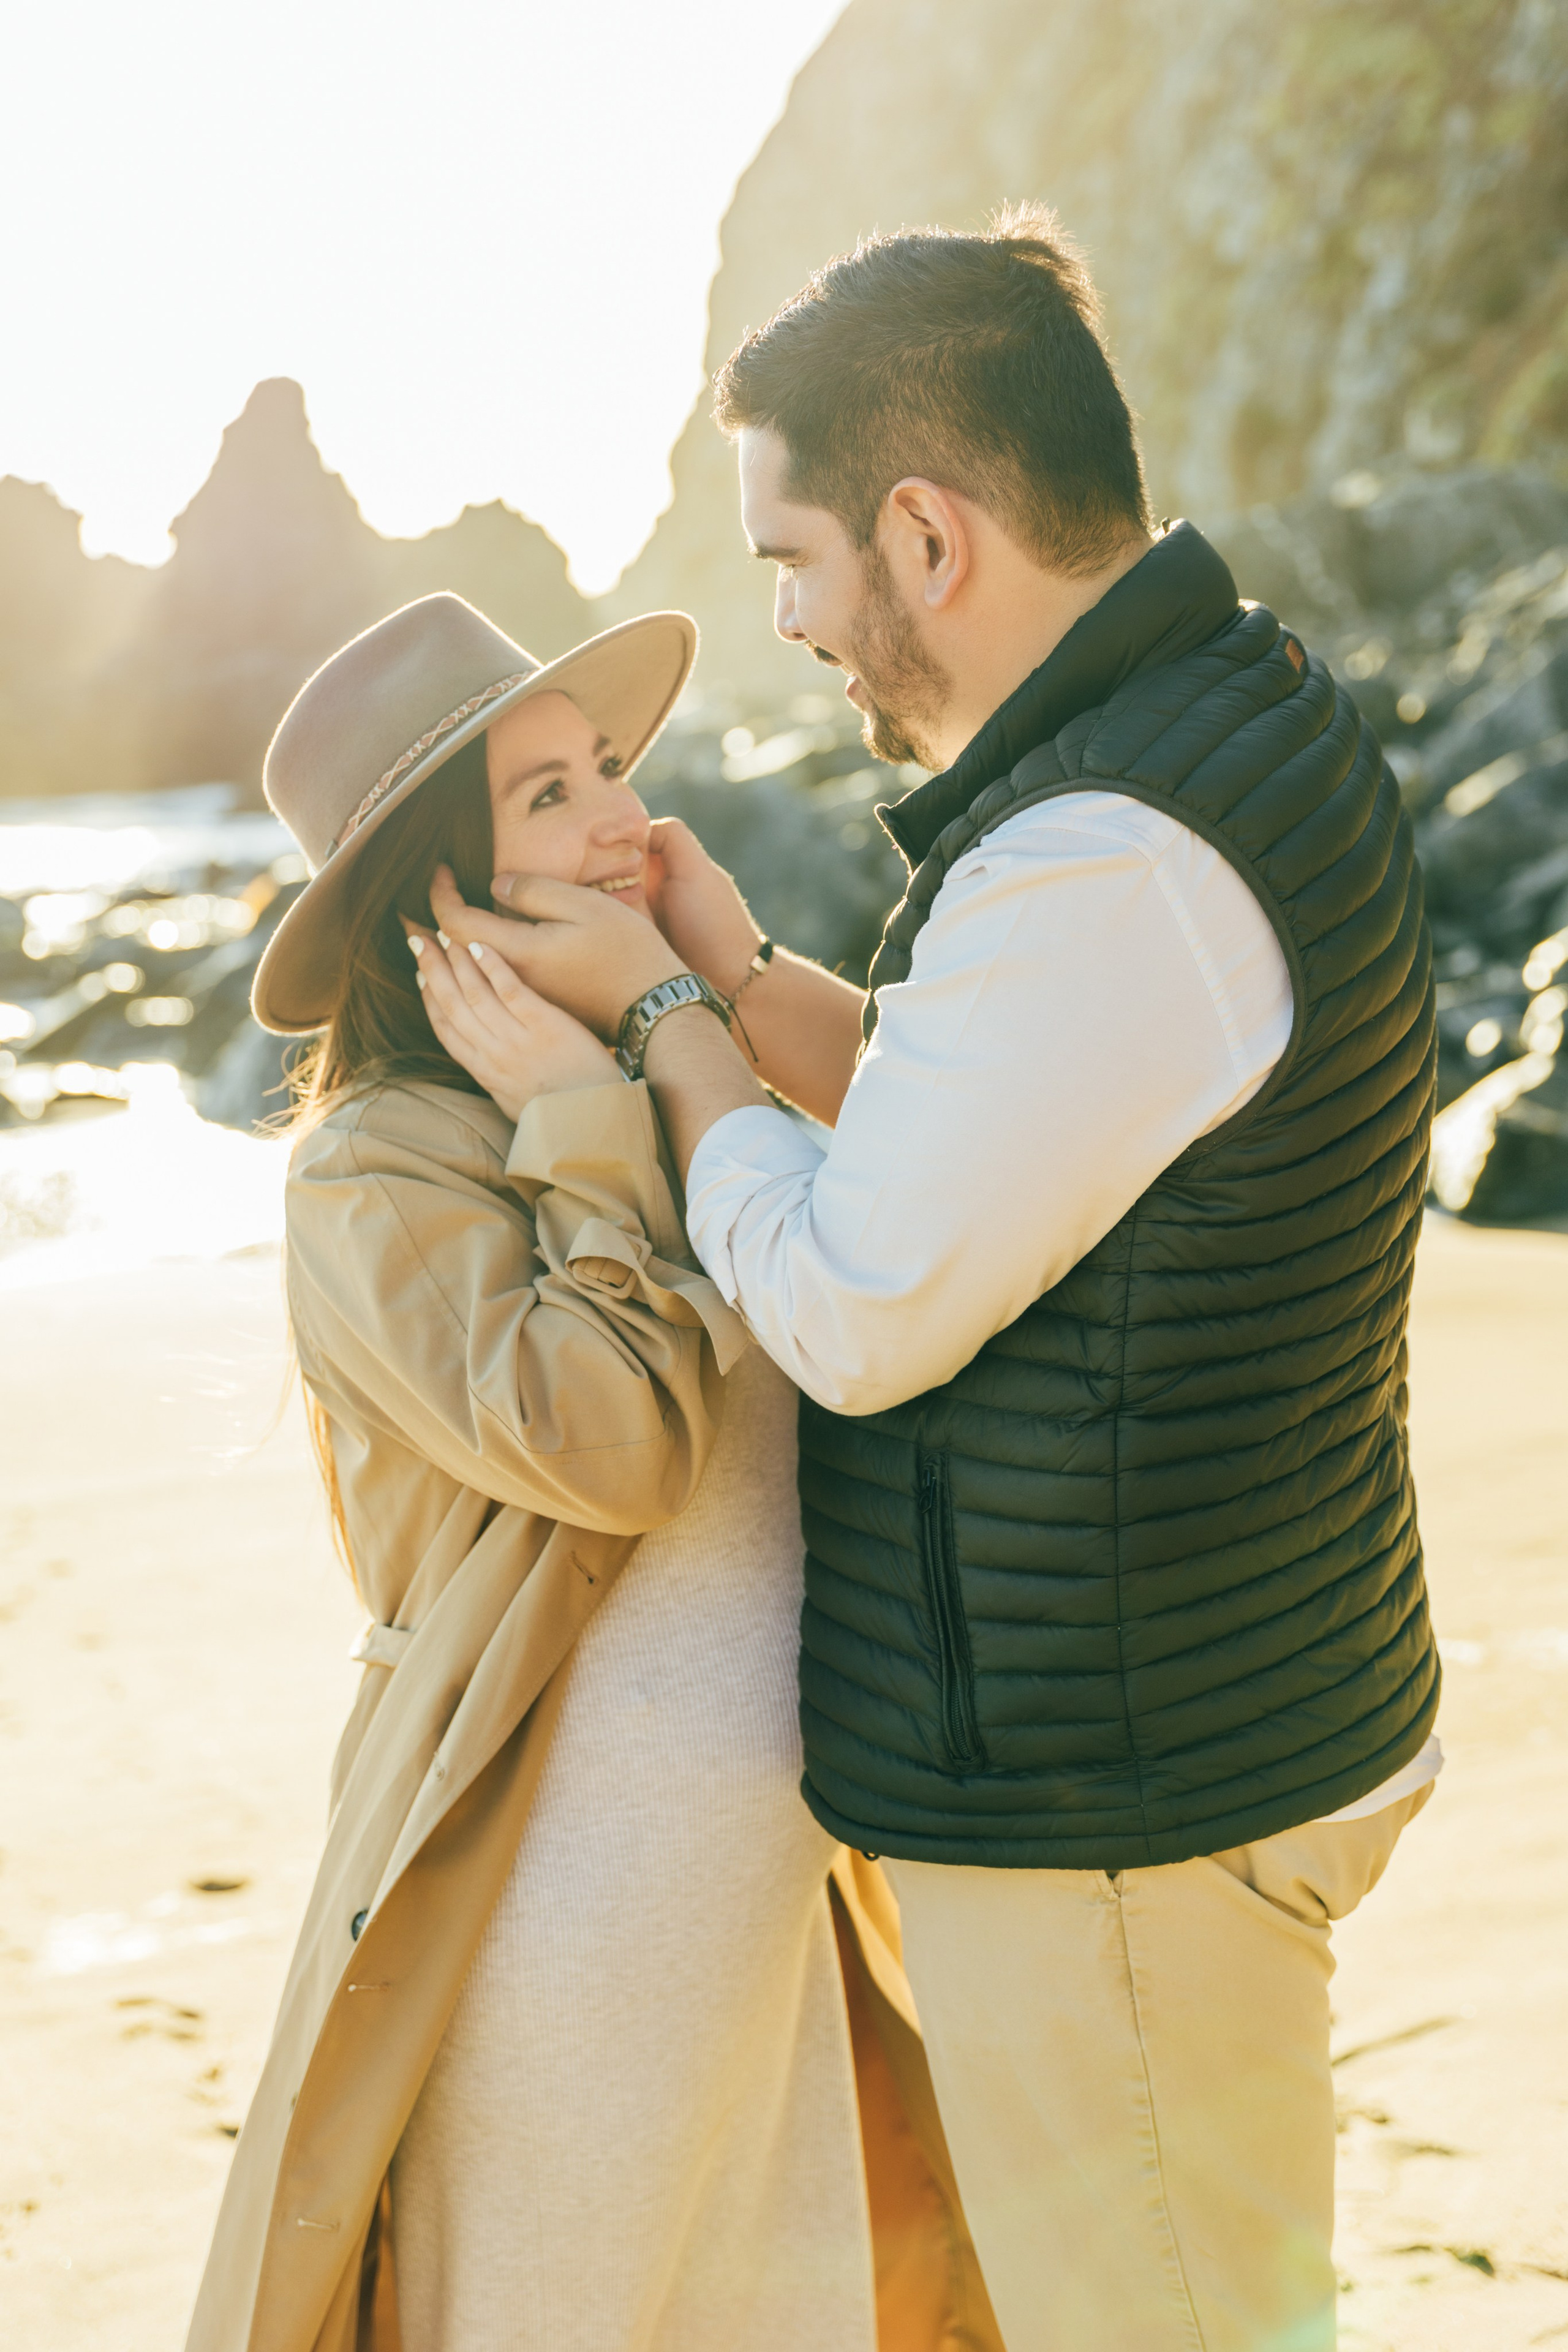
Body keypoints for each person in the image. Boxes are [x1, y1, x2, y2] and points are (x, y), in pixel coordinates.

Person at [433, 209, 1444, 2352]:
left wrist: (653, 1039)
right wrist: (727, 958)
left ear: (925, 530)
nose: (789, 618)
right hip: (1215, 1711)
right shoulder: (1213, 726)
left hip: (1125, 1803)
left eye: (795, 558)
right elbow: (988, 1115)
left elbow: (852, 1295)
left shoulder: (1100, 857)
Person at [184, 594, 1003, 2352]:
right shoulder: (376, 1172)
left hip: (772, 1862)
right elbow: (609, 1450)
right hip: (563, 1879)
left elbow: (949, 1175)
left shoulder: (684, 1069)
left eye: (610, 766)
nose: (621, 814)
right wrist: (576, 1114)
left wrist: (721, 980)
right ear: (438, 896)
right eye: (549, 796)